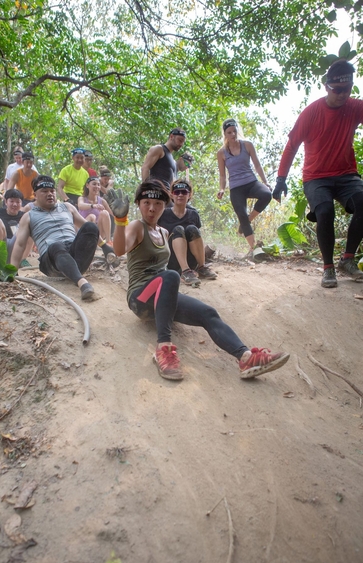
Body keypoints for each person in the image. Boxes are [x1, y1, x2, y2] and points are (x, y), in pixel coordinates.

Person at [110, 180, 289, 381]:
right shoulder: (136, 226)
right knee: (171, 275)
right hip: (140, 298)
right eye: (146, 203)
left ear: (164, 205)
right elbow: (119, 249)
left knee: (208, 313)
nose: (152, 208)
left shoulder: (163, 232)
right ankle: (163, 349)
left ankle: (246, 357)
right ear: (138, 204)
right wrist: (120, 220)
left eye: (158, 203)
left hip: (162, 297)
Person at [273, 60, 363, 288]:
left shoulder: (354, 107)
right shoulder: (311, 113)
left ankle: (347, 259)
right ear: (327, 87)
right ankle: (328, 267)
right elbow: (292, 146)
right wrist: (281, 179)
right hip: (316, 177)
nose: (343, 94)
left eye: (347, 89)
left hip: (346, 174)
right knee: (324, 212)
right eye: (337, 90)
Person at [10, 175, 103, 300]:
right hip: (51, 261)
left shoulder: (67, 207)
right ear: (35, 195)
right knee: (56, 246)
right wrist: (12, 271)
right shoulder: (28, 216)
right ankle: (82, 283)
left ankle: (74, 271)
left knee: (91, 226)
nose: (50, 194)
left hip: (75, 255)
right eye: (44, 191)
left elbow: (87, 228)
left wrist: (105, 247)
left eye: (52, 191)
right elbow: (20, 244)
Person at [217, 118, 272, 254]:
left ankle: (248, 220)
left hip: (251, 182)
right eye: (229, 132)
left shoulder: (247, 145)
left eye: (234, 131)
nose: (233, 134)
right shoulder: (221, 153)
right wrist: (222, 189)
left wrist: (265, 182)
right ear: (225, 134)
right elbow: (223, 175)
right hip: (236, 188)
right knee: (241, 214)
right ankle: (254, 249)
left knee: (266, 194)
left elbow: (257, 165)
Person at [158, 178, 217, 285]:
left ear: (189, 195)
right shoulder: (163, 214)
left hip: (191, 260)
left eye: (184, 192)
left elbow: (196, 238)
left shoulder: (193, 214)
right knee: (178, 229)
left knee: (192, 229)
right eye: (177, 192)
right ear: (171, 195)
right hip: (171, 260)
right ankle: (185, 272)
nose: (180, 195)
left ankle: (201, 267)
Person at [0, 188, 33, 262]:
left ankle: (20, 261)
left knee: (29, 225)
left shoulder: (25, 216)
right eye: (12, 201)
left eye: (18, 202)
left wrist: (27, 253)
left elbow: (31, 237)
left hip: (16, 250)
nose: (15, 204)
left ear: (21, 203)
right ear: (6, 202)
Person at [78, 177, 113, 245]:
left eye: (98, 185)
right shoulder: (82, 198)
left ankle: (108, 242)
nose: (97, 187)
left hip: (97, 236)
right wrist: (93, 206)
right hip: (84, 233)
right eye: (94, 184)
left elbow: (113, 214)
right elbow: (80, 205)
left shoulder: (102, 201)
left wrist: (121, 216)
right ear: (87, 185)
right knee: (92, 217)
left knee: (105, 213)